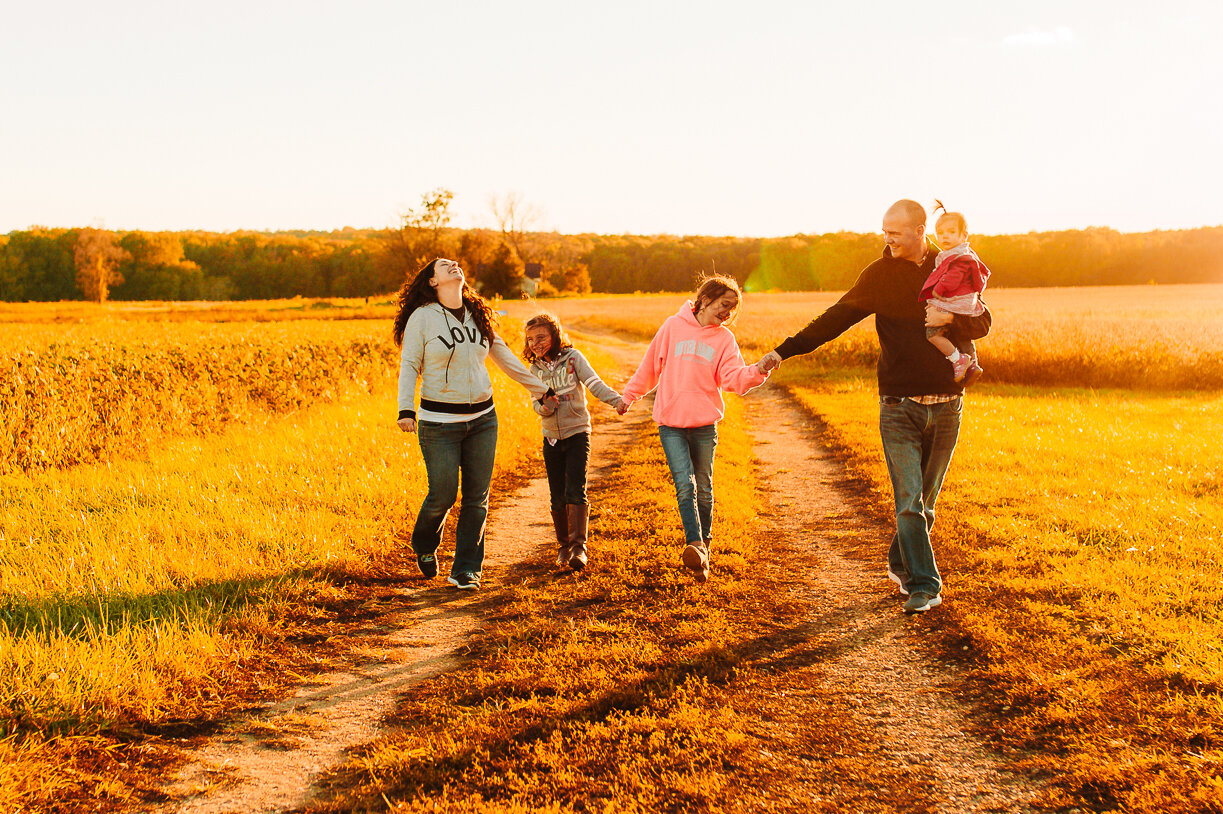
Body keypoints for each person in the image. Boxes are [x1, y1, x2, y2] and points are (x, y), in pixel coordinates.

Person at [756, 200, 992, 614]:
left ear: (921, 230)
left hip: (948, 403)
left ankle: (901, 562)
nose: (887, 238)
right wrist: (783, 351)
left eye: (895, 232)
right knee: (908, 499)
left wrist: (948, 318)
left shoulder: (954, 263)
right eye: (884, 230)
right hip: (898, 404)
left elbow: (983, 322)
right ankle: (925, 585)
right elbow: (834, 319)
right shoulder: (879, 275)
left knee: (926, 501)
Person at [394, 258, 554, 591]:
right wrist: (405, 410)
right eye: (443, 265)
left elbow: (507, 359)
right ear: (433, 281)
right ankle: (424, 542)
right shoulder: (421, 318)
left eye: (455, 264)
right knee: (442, 493)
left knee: (476, 498)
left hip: (483, 419)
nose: (453, 266)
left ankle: (466, 569)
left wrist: (543, 390)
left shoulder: (477, 315)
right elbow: (409, 364)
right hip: (439, 422)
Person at [622, 275, 770, 584]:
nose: (727, 313)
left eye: (732, 309)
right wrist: (628, 397)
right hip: (671, 424)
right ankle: (695, 543)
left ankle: (704, 552)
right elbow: (649, 368)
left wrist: (759, 370)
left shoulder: (724, 339)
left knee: (704, 488)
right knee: (684, 485)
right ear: (705, 298)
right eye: (724, 305)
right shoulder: (672, 327)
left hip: (704, 425)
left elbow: (733, 379)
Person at [522, 313, 627, 572]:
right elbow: (536, 405)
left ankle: (580, 547)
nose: (536, 343)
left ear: (554, 336)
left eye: (542, 337)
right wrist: (545, 407)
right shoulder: (534, 370)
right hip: (551, 438)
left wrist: (617, 401)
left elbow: (594, 383)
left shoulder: (573, 358)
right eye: (531, 339)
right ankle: (563, 547)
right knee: (556, 495)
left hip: (578, 432)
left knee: (575, 490)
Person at [922, 202, 990, 384]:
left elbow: (952, 277)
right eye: (941, 233)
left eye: (951, 232)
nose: (945, 237)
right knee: (962, 334)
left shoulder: (957, 257)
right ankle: (972, 361)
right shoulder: (964, 254)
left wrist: (938, 291)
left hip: (953, 302)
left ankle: (957, 359)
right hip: (964, 304)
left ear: (963, 235)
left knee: (933, 334)